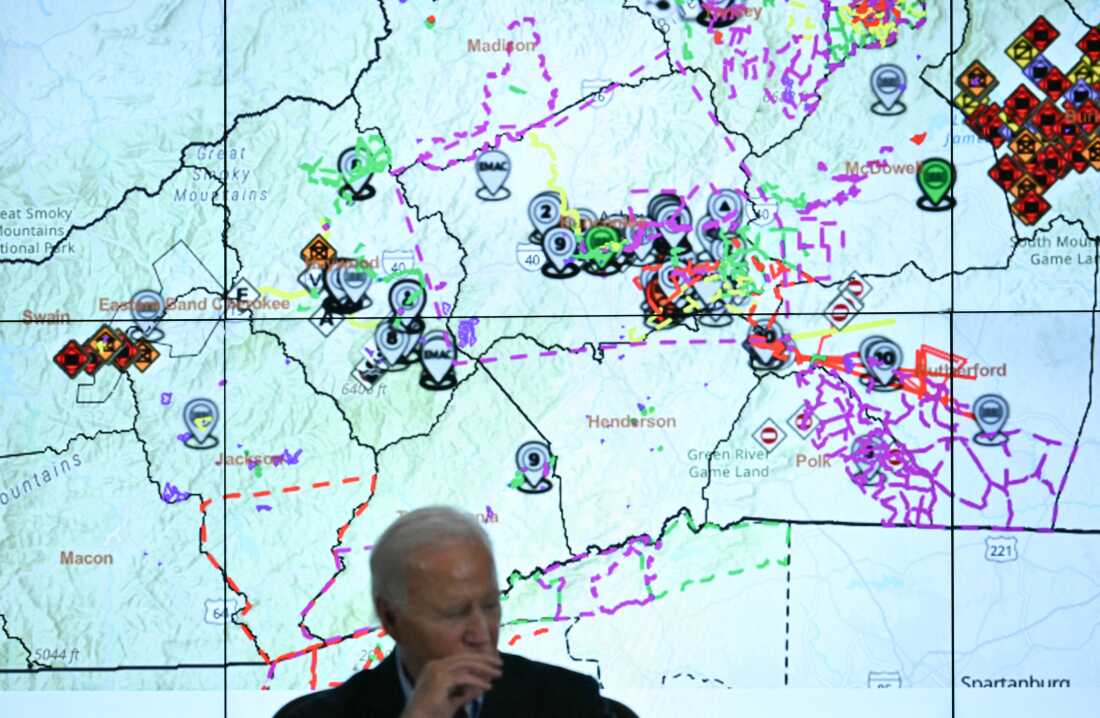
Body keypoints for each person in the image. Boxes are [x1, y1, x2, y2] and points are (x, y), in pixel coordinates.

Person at [274, 505, 613, 718]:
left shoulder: (569, 702)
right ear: (391, 618)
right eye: (454, 613)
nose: (481, 633)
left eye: (491, 605)